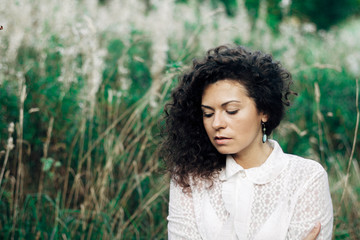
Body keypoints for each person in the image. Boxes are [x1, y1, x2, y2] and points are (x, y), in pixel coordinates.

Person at [161, 45, 333, 240]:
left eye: (231, 111)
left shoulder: (307, 178)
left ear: (264, 111)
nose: (216, 123)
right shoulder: (190, 176)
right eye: (208, 113)